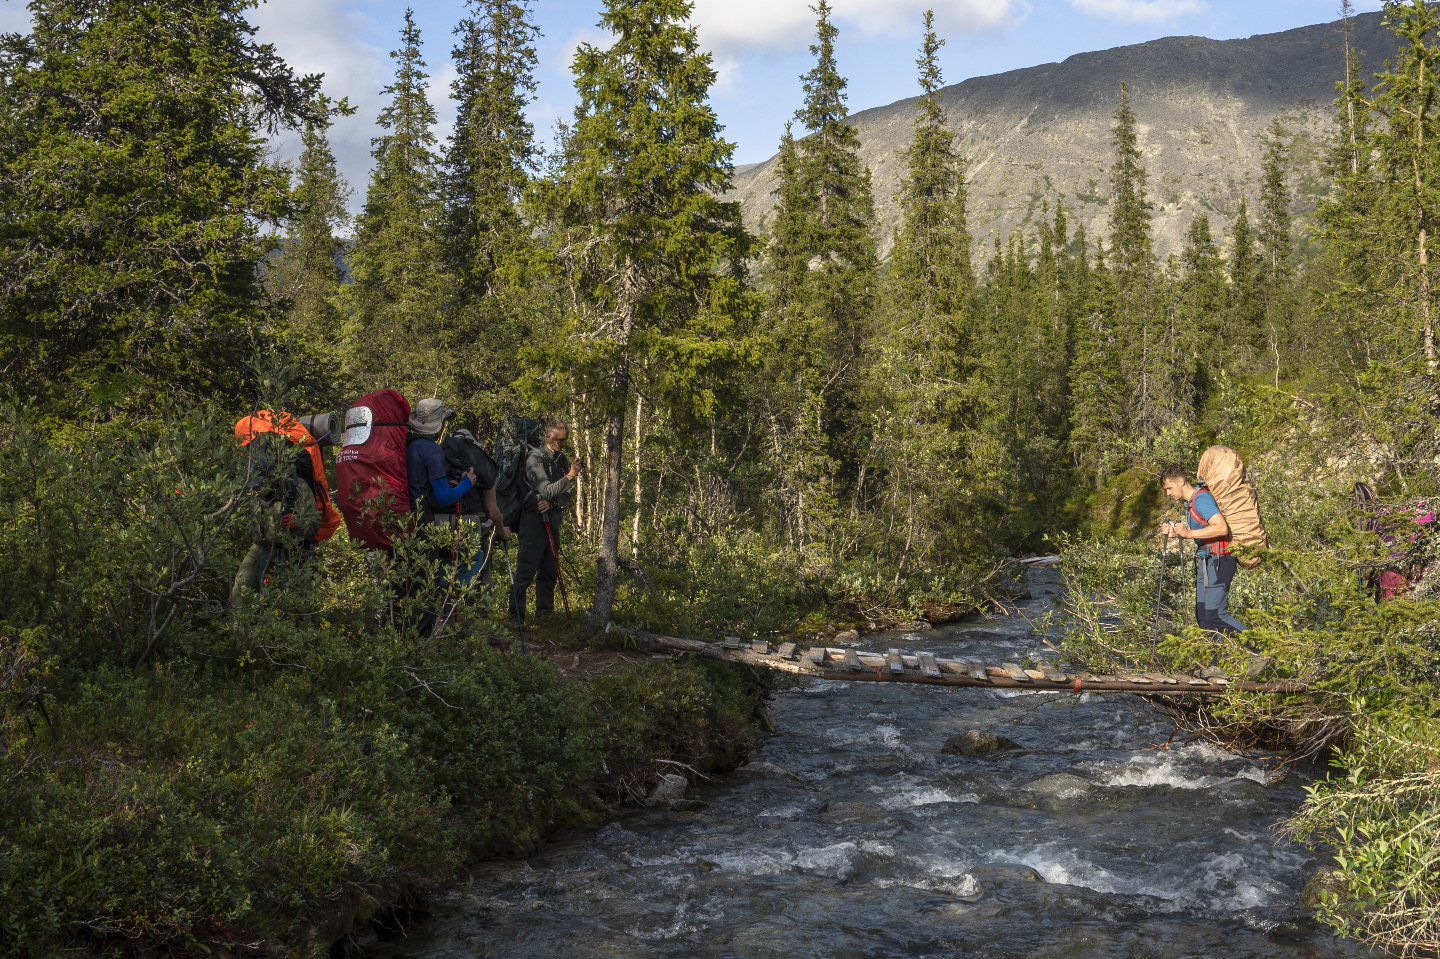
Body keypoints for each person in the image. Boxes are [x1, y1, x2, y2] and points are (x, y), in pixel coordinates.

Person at [400, 398, 476, 633]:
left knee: (404, 580)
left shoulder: (406, 444)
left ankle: (399, 633)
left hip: (400, 518)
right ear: (439, 424)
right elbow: (443, 498)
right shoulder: (432, 450)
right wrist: (466, 484)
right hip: (421, 521)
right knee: (426, 581)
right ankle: (421, 639)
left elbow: (418, 485)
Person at [509, 419, 583, 628]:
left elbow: (565, 493)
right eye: (561, 440)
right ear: (549, 437)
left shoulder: (561, 458)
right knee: (525, 570)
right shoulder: (535, 459)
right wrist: (570, 475)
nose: (563, 444)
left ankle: (545, 616)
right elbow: (546, 489)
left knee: (549, 570)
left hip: (552, 519)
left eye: (566, 440)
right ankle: (516, 617)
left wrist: (554, 503)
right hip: (532, 521)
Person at [1160, 464, 1247, 634]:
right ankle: (1220, 659)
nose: (1168, 493)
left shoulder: (1201, 499)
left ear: (1181, 481)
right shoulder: (1190, 503)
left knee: (1216, 615)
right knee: (1204, 618)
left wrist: (1189, 533)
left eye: (1169, 488)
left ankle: (1261, 648)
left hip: (1220, 559)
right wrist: (1176, 534)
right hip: (1208, 561)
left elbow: (1221, 528)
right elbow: (1200, 531)